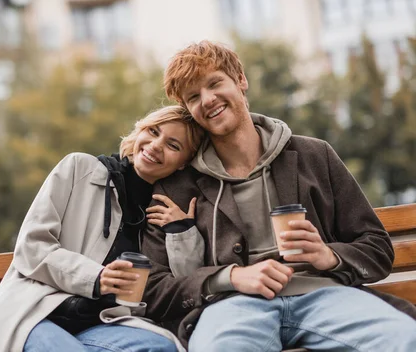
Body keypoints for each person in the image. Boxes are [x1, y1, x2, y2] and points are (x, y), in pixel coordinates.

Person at [141, 41, 416, 352]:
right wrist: (230, 277)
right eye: (193, 97)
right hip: (232, 307)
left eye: (215, 83)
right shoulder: (176, 186)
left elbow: (377, 248)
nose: (208, 100)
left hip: (325, 295)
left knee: (405, 338)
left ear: (240, 80)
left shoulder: (314, 155)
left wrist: (329, 255)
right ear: (190, 111)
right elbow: (152, 285)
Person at [0, 105, 205, 352]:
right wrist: (96, 277)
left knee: (163, 347)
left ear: (184, 163)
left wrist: (181, 231)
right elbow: (32, 248)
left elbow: (185, 286)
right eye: (153, 131)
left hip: (100, 324)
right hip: (35, 312)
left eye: (173, 145)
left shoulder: (162, 208)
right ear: (140, 130)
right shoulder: (79, 169)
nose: (155, 145)